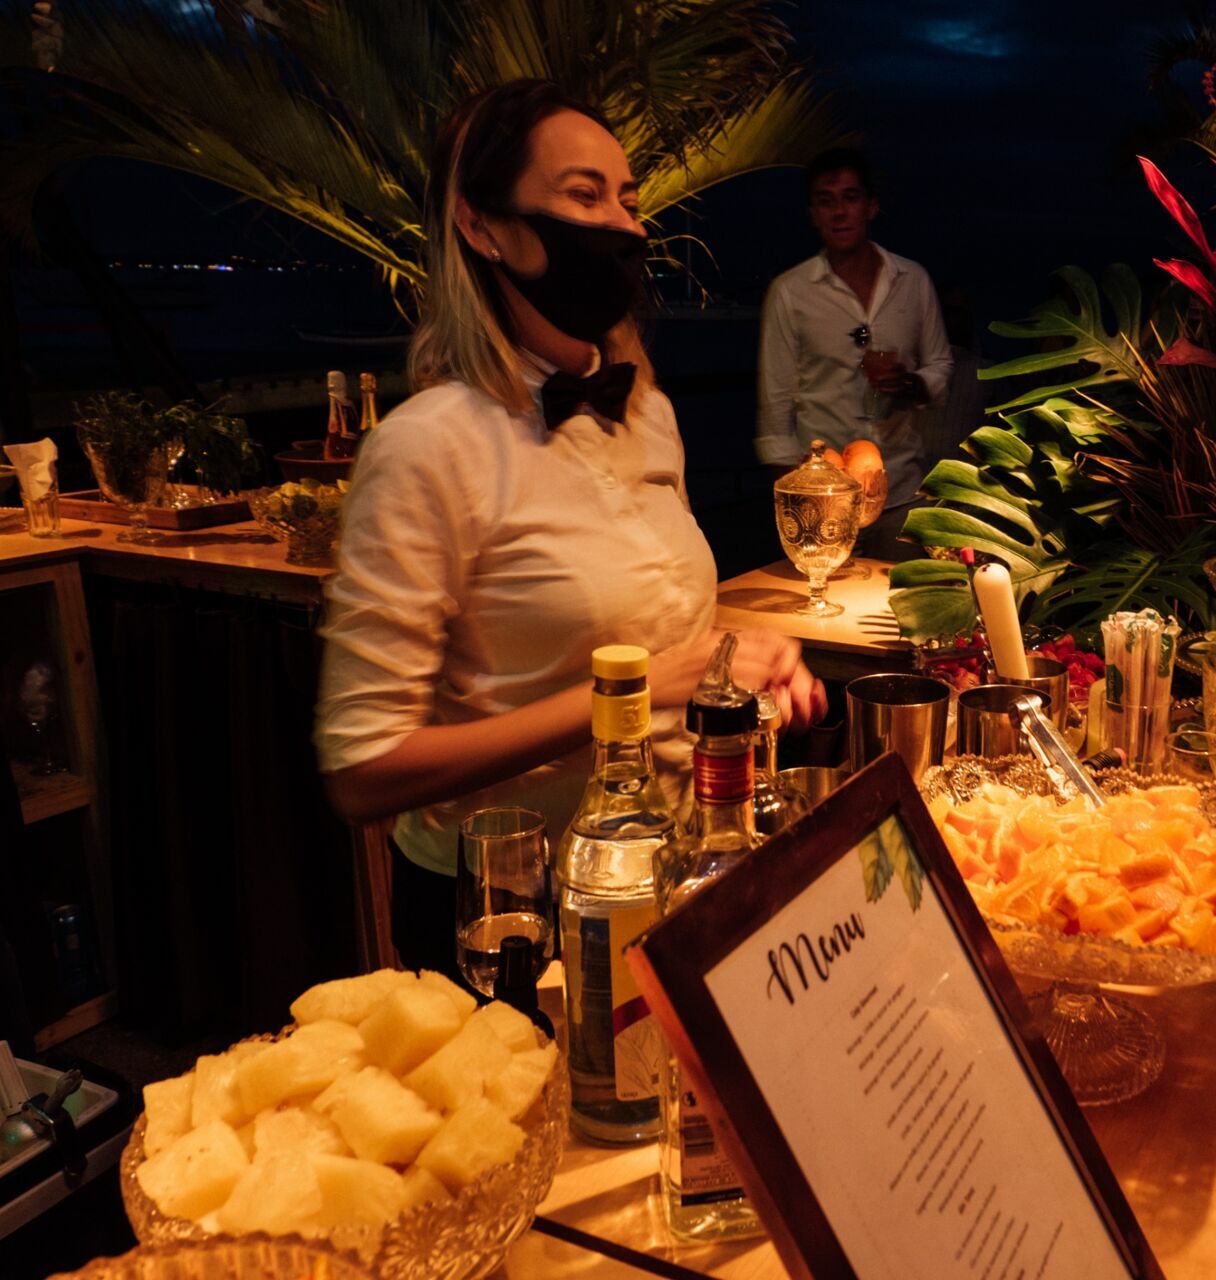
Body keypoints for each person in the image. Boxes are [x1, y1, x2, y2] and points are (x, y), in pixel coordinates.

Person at [315, 80, 825, 975]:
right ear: (482, 227)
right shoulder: (425, 448)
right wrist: (637, 693)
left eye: (629, 200)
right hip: (509, 911)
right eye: (584, 196)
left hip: (667, 877)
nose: (623, 227)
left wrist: (733, 659)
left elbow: (644, 626)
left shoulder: (648, 411)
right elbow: (363, 771)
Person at [756, 148, 953, 560]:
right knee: (821, 600)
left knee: (902, 597)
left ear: (871, 206)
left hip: (901, 488)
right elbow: (775, 400)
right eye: (826, 201)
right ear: (813, 214)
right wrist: (791, 499)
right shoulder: (791, 292)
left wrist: (911, 383)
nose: (839, 212)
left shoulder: (912, 281)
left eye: (850, 197)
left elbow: (940, 365)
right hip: (824, 499)